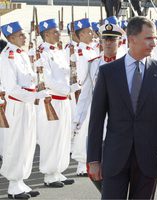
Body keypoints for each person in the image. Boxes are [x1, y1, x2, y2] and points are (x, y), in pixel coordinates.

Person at [87, 16, 157, 199]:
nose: (154, 43)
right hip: (115, 157)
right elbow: (96, 119)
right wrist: (94, 159)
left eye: (154, 38)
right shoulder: (108, 72)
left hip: (148, 159)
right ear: (132, 39)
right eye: (149, 38)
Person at [0, 21, 48, 199]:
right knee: (16, 143)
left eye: (24, 34)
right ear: (11, 37)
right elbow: (12, 88)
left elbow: (28, 80)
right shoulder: (7, 56)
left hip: (27, 103)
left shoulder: (22, 54)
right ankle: (13, 184)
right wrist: (36, 96)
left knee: (28, 143)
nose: (25, 37)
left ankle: (21, 181)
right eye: (20, 35)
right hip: (16, 105)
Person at [72, 22, 125, 178]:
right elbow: (86, 94)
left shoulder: (127, 63)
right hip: (98, 115)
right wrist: (78, 119)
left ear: (120, 42)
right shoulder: (93, 64)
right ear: (100, 41)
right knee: (97, 159)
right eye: (105, 39)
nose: (108, 43)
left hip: (120, 117)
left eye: (112, 39)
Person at [36, 19, 79, 187]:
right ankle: (49, 174)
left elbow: (66, 72)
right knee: (51, 137)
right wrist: (67, 89)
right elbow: (47, 79)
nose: (58, 34)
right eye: (54, 32)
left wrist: (74, 81)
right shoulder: (43, 53)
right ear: (46, 34)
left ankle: (59, 170)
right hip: (52, 100)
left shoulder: (60, 51)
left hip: (64, 100)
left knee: (64, 136)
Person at [71, 18, 97, 176]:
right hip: (87, 93)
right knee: (84, 129)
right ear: (80, 35)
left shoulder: (91, 49)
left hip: (95, 92)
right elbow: (81, 77)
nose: (91, 34)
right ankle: (81, 164)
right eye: (88, 32)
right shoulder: (80, 52)